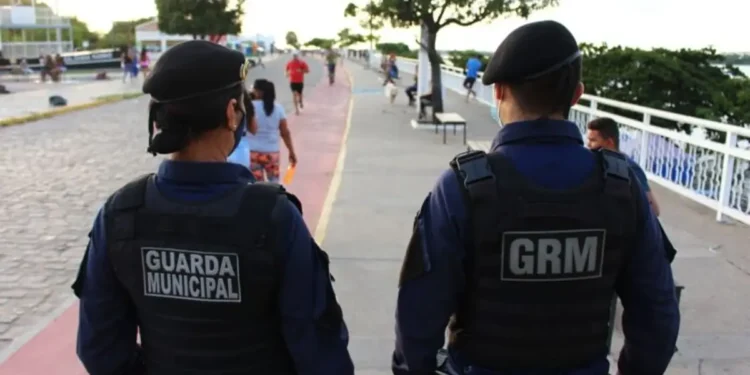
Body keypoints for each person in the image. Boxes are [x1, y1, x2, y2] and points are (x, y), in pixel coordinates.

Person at [392, 20, 679, 375]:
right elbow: (658, 314)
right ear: (577, 94)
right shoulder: (623, 188)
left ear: (499, 92)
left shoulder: (461, 188)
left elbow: (417, 318)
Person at [72, 40, 354, 375]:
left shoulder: (120, 214)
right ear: (231, 113)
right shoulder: (274, 216)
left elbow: (99, 349)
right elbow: (319, 351)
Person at [586, 117, 661, 216]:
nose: (588, 145)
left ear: (609, 142)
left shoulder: (631, 168)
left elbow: (654, 210)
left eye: (593, 140)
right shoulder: (597, 162)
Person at [248, 78, 298, 183]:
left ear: (259, 92)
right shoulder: (278, 108)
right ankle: (273, 199)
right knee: (274, 183)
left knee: (256, 185)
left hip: (253, 153)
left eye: (254, 89)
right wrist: (291, 151)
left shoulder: (250, 107)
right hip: (272, 153)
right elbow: (285, 133)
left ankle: (259, 199)